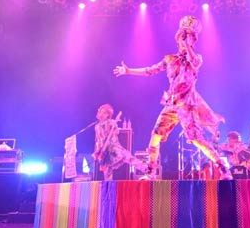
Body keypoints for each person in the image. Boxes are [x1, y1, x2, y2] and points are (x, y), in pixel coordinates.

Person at [113, 15, 231, 180]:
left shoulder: (196, 59)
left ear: (193, 40)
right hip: (172, 105)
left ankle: (223, 168)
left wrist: (187, 45)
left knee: (196, 139)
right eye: (183, 37)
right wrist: (128, 71)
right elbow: (150, 70)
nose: (185, 40)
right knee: (155, 135)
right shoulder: (170, 59)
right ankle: (150, 172)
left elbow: (194, 61)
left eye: (189, 37)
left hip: (187, 106)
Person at [92, 103, 147, 180]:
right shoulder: (97, 126)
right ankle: (108, 186)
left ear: (107, 115)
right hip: (105, 152)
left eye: (103, 112)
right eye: (100, 111)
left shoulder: (111, 122)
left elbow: (116, 132)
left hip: (114, 148)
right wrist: (97, 152)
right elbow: (98, 140)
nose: (100, 113)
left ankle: (147, 170)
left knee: (129, 158)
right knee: (107, 171)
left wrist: (113, 128)